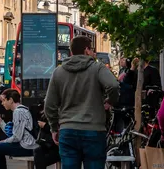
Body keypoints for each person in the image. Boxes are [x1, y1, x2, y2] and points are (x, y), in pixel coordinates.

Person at [44, 36, 119, 169]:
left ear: (71, 52)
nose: (93, 53)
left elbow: (49, 105)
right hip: (94, 130)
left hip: (67, 130)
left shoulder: (58, 72)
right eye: (92, 50)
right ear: (86, 50)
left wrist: (54, 127)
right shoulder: (97, 68)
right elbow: (113, 85)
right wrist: (110, 102)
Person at [0, 89, 36, 169]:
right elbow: (13, 133)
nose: (2, 103)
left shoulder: (18, 112)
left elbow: (17, 137)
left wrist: (4, 141)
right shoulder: (23, 109)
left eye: (3, 100)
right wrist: (1, 123)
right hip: (28, 145)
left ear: (10, 100)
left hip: (26, 147)